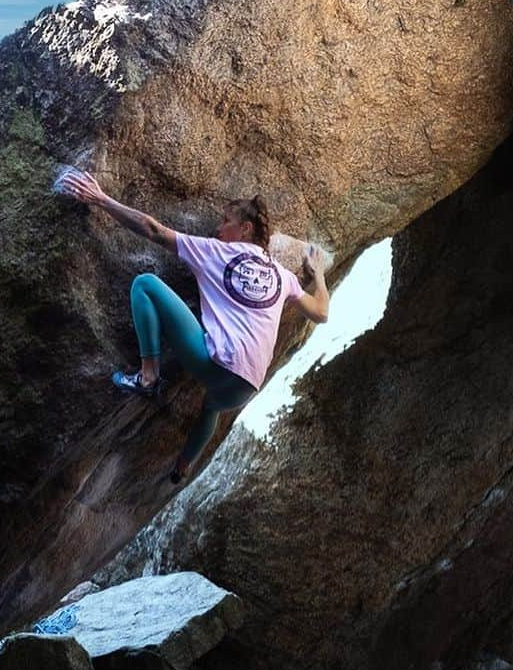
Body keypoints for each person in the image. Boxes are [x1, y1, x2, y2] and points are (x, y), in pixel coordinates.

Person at [59, 168, 330, 482]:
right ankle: (181, 469)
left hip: (216, 365)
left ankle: (147, 378)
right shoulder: (283, 276)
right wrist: (319, 274)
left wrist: (101, 199)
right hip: (244, 388)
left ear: (245, 228)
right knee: (211, 409)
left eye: (226, 221)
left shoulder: (215, 251)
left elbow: (153, 230)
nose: (218, 228)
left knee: (145, 284)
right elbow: (321, 312)